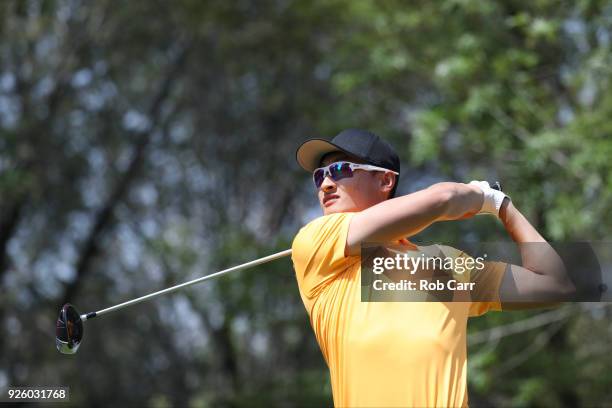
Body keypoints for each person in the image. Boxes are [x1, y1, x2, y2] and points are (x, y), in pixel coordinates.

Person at [291, 129, 575, 407]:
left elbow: (555, 285)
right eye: (320, 175)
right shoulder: (316, 245)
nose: (325, 184)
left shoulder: (447, 267)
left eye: (341, 169)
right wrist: (480, 196)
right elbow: (443, 199)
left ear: (385, 181)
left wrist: (503, 207)